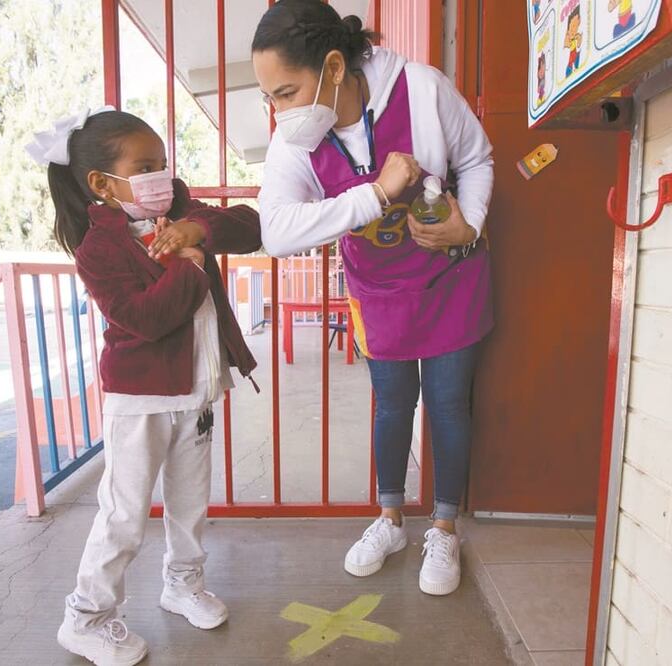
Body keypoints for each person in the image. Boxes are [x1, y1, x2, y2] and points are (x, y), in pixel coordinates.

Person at [252, 0, 494, 596]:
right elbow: (277, 232)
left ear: (334, 67)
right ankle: (389, 520)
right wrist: (377, 193)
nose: (279, 112)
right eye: (270, 98)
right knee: (392, 405)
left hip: (450, 278)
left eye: (286, 92)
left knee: (447, 406)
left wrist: (473, 224)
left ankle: (443, 527)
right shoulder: (296, 140)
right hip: (379, 291)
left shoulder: (423, 89)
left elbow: (478, 159)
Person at [27, 107, 262, 666]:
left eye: (163, 163)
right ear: (102, 184)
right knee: (124, 513)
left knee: (189, 503)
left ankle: (183, 584)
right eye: (146, 166)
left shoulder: (180, 209)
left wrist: (197, 232)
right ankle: (86, 617)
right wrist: (192, 262)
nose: (162, 175)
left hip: (197, 391)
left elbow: (249, 227)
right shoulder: (99, 249)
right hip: (142, 400)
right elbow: (147, 318)